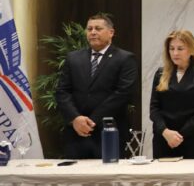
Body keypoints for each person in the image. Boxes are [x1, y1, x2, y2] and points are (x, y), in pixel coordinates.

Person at [55, 13, 138, 159]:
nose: (93, 32)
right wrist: (76, 118)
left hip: (109, 132)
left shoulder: (125, 58)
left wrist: (91, 121)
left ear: (111, 32)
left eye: (98, 29)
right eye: (89, 29)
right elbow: (62, 91)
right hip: (76, 134)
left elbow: (122, 94)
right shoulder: (73, 58)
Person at [149, 29, 194, 159]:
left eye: (180, 48)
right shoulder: (160, 73)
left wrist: (181, 135)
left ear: (191, 49)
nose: (175, 53)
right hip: (164, 138)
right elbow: (154, 108)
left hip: (193, 139)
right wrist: (165, 132)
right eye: (171, 48)